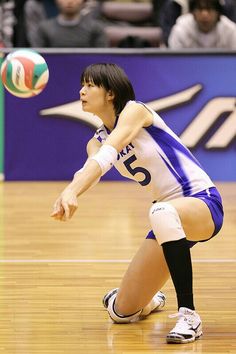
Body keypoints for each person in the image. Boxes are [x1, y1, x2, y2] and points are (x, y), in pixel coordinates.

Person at [51, 63, 224, 344]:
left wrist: (73, 191)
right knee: (121, 313)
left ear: (110, 93)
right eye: (81, 85)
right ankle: (151, 300)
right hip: (166, 220)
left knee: (161, 210)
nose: (82, 91)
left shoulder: (135, 110)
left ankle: (189, 316)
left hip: (201, 201)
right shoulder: (94, 142)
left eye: (90, 85)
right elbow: (91, 169)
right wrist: (71, 191)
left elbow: (110, 152)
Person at [30, 0, 108, 47]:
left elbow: (101, 59)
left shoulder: (96, 28)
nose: (70, 1)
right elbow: (38, 58)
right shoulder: (44, 29)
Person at [168, 0, 236, 49]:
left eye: (209, 8)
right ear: (192, 12)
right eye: (199, 9)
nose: (204, 14)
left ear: (218, 13)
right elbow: (176, 62)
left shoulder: (230, 30)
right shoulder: (181, 30)